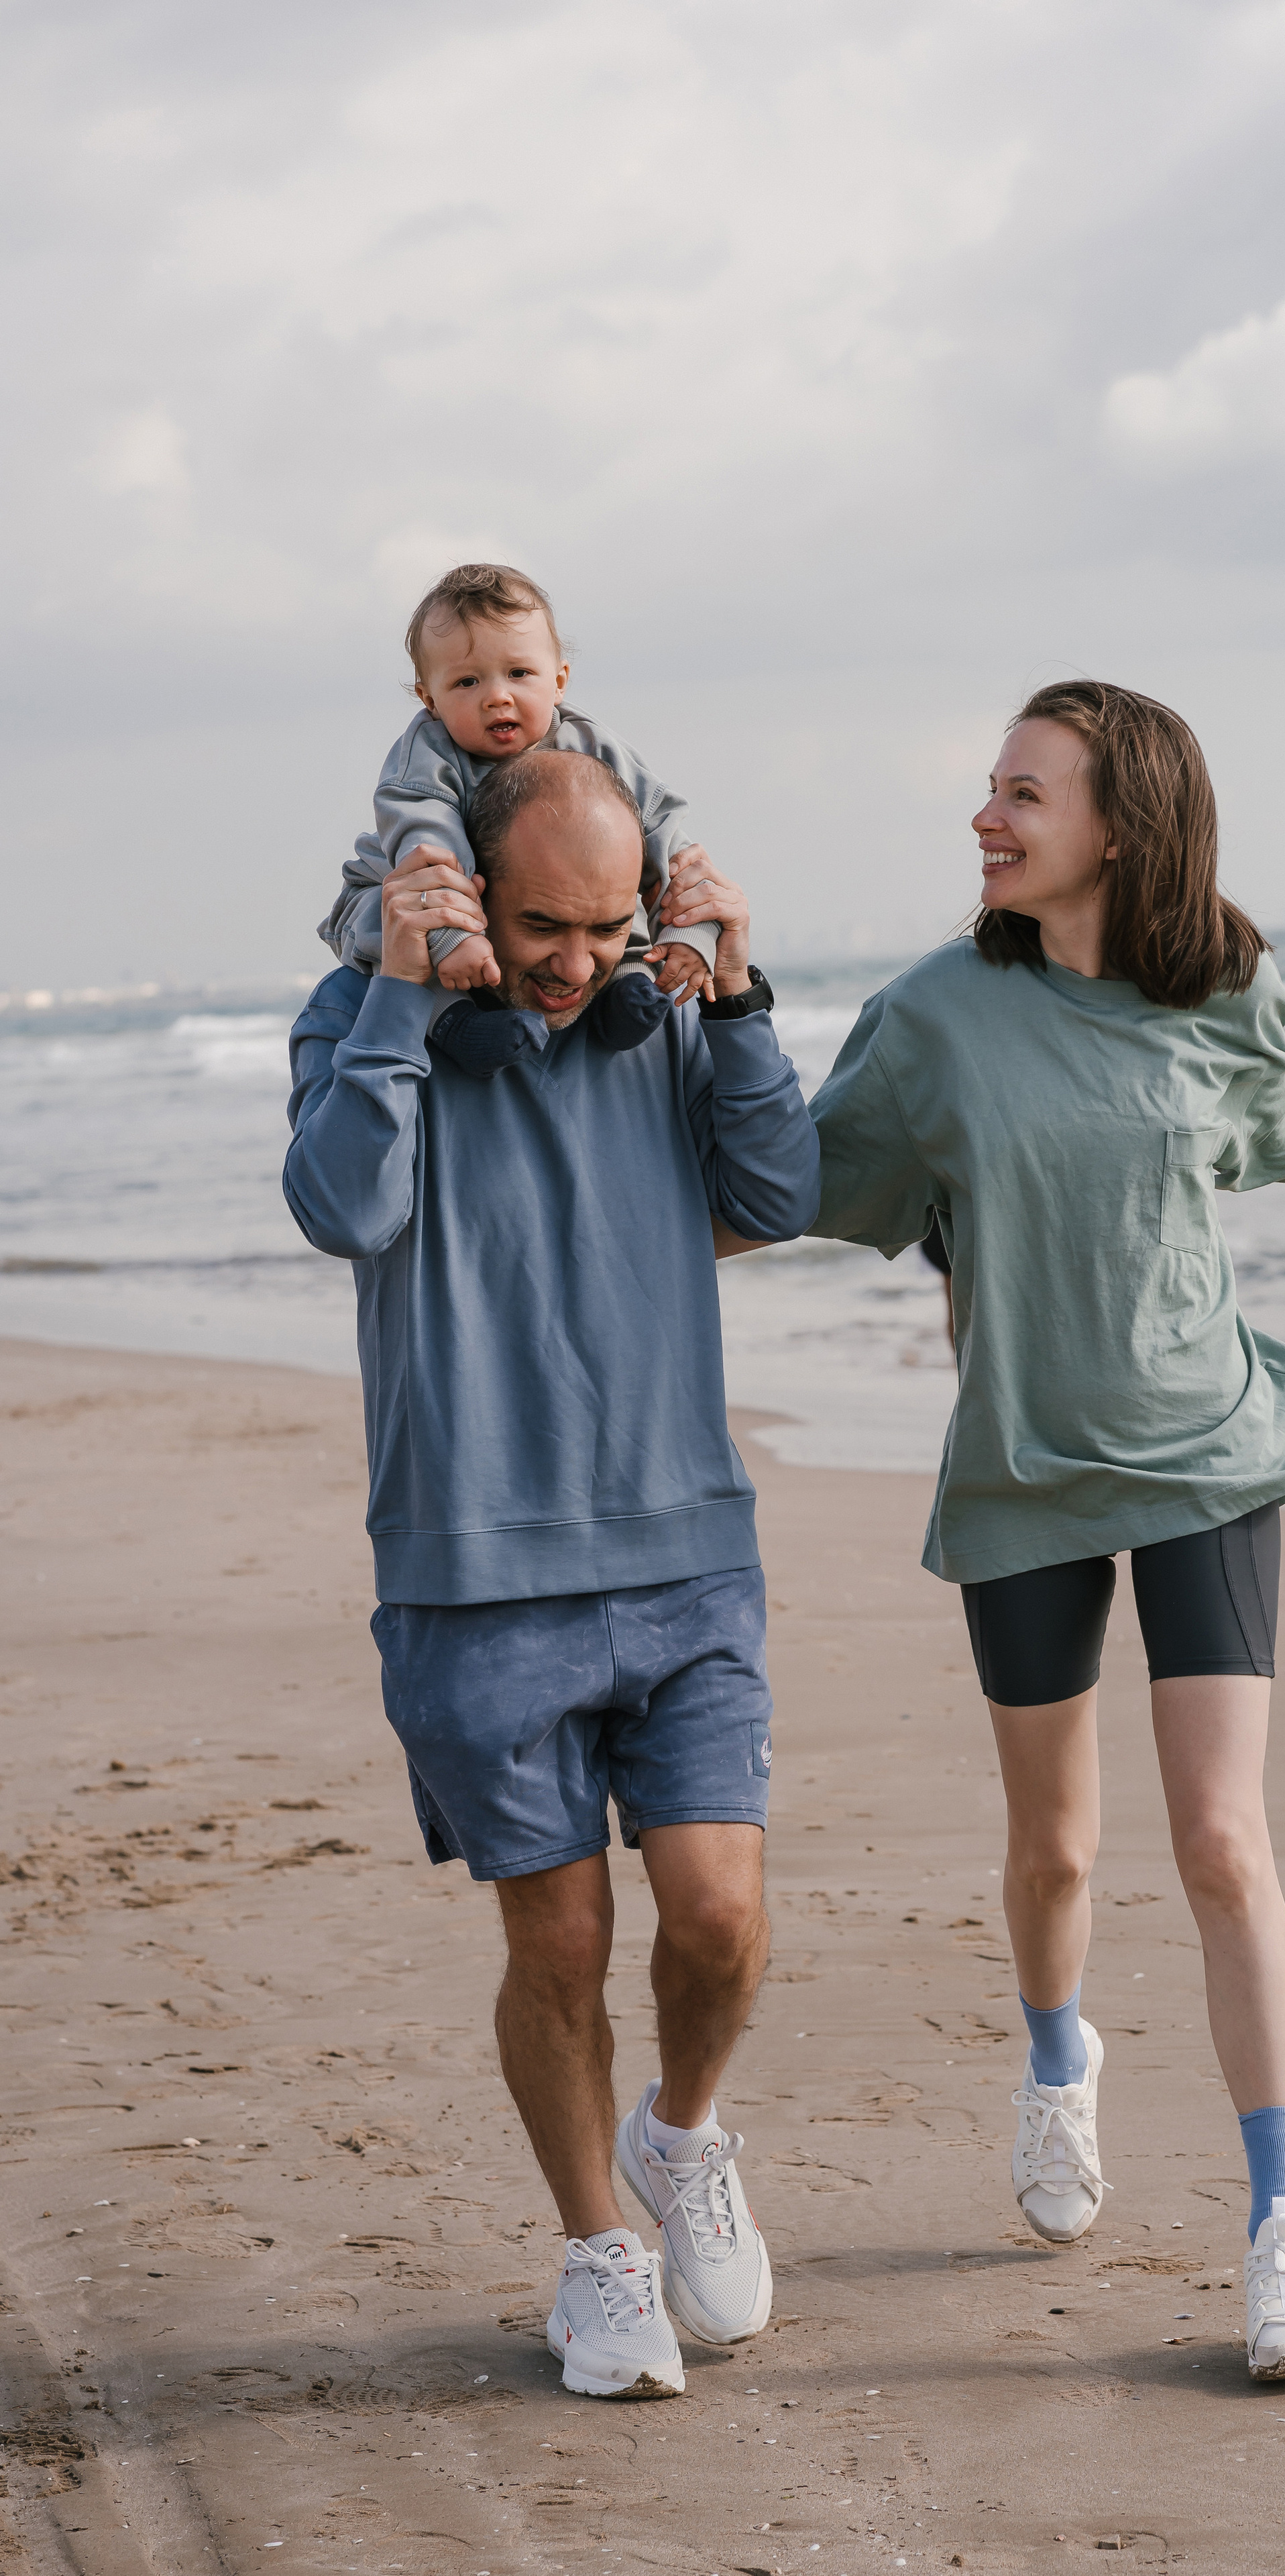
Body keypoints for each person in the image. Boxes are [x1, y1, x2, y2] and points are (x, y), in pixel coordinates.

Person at [808, 680, 1285, 2382]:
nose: (987, 815)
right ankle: (1055, 2063)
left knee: (1220, 1841)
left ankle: (1279, 2238)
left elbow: (1284, 1129)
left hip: (1204, 1447)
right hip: (1024, 1468)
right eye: (989, 787)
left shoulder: (1220, 985)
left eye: (1023, 793)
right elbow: (797, 1186)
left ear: (1118, 823)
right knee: (1052, 1848)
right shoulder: (936, 1017)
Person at [284, 745, 820, 2400]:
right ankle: (598, 2249)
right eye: (543, 927)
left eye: (607, 923)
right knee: (561, 1941)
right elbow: (342, 1204)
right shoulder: (364, 1011)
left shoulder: (663, 1015)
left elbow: (779, 1190)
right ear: (461, 885)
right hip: (471, 1573)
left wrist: (734, 1001)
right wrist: (392, 993)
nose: (576, 960)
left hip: (685, 1554)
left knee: (720, 1919)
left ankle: (680, 2133)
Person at [317, 561, 722, 1080]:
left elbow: (667, 836)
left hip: (545, 901)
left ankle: (626, 983)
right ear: (429, 699)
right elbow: (429, 843)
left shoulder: (594, 747)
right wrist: (451, 938)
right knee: (382, 916)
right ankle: (453, 1022)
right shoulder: (427, 757)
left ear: (558, 681)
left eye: (519, 674)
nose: (496, 696)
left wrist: (695, 935)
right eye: (466, 682)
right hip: (424, 888)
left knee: (602, 889)